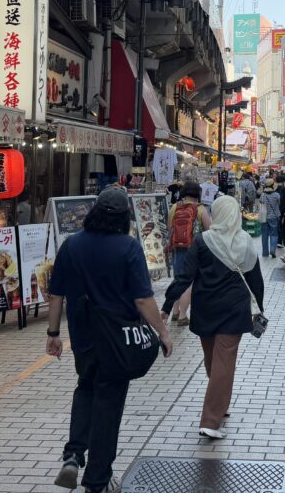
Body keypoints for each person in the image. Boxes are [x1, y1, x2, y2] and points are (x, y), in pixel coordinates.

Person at [47, 187, 174, 492]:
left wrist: (53, 334)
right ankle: (97, 480)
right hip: (116, 339)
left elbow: (56, 294)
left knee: (85, 388)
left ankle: (73, 454)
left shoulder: (72, 245)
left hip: (83, 336)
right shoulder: (128, 247)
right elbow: (143, 300)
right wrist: (163, 332)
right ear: (124, 217)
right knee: (108, 404)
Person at [161, 196, 265, 439]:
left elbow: (184, 277)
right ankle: (219, 402)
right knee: (219, 364)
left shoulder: (202, 241)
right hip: (234, 310)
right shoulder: (245, 242)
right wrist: (260, 307)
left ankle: (211, 419)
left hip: (206, 308)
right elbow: (256, 280)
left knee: (217, 362)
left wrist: (167, 306)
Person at [167, 181, 212, 326]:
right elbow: (209, 230)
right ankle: (182, 316)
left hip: (177, 248)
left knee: (177, 279)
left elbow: (169, 227)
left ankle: (175, 312)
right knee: (189, 282)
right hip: (194, 250)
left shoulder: (175, 207)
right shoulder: (200, 209)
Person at [259, 178, 282, 257]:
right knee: (274, 234)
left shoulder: (263, 195)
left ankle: (265, 253)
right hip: (274, 217)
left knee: (264, 235)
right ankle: (272, 250)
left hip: (264, 217)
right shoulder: (277, 195)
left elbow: (261, 202)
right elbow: (279, 204)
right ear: (273, 186)